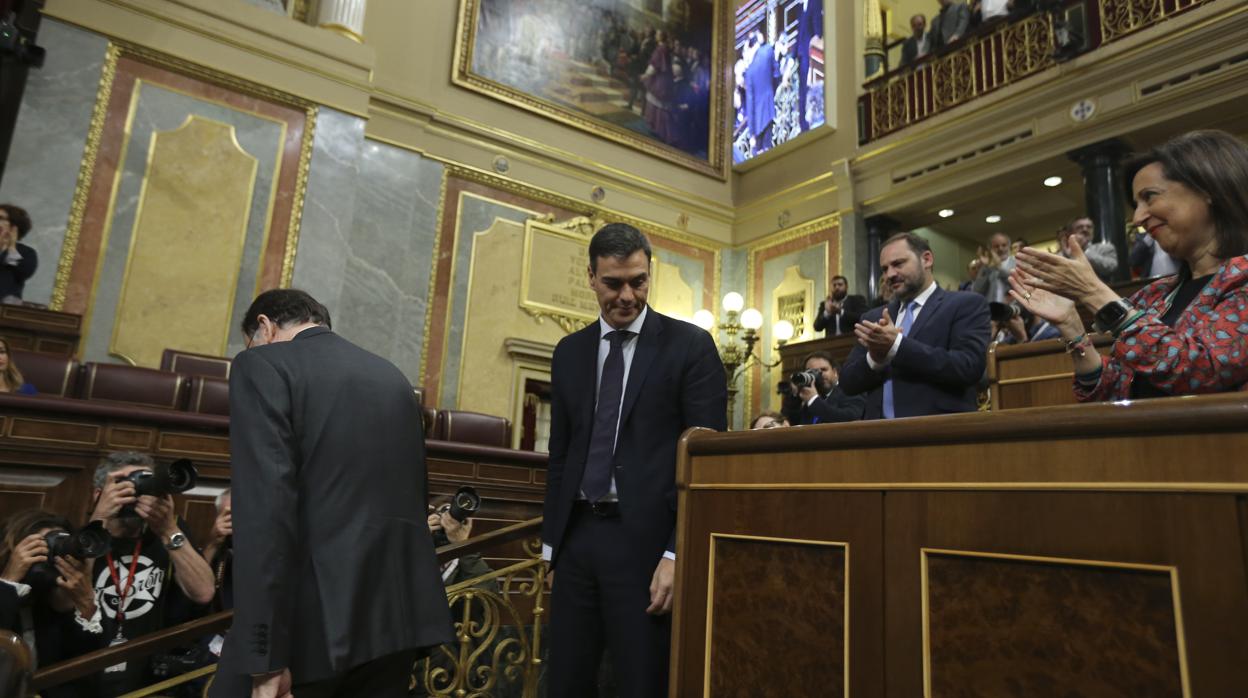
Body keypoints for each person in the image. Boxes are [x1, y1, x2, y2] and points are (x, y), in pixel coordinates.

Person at [212, 289, 452, 698]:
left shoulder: (261, 365)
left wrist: (264, 657)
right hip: (398, 624)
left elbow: (265, 513)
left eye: (251, 340)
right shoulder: (392, 377)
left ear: (265, 327)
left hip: (310, 630)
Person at [542, 223, 726, 698]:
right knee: (565, 680)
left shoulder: (689, 347)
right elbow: (560, 455)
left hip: (646, 547)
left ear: (649, 274)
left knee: (641, 680)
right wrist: (552, 547)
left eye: (638, 281)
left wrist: (676, 551)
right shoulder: (569, 352)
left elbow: (705, 462)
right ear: (591, 277)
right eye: (613, 283)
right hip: (578, 539)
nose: (627, 295)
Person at [1011, 129, 1248, 400]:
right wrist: (1073, 329)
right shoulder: (1155, 295)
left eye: (1150, 196)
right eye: (1136, 204)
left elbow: (1199, 371)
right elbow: (1119, 388)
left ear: (1209, 189)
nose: (1138, 217)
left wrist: (1093, 292)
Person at [87, 451, 216, 696]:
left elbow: (204, 593)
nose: (137, 492)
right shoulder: (84, 538)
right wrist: (100, 518)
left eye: (145, 482)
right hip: (86, 675)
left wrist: (168, 529)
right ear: (98, 495)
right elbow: (69, 596)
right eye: (125, 483)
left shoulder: (167, 534)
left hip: (150, 681)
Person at [840, 232, 991, 418]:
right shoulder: (874, 316)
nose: (890, 275)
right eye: (884, 269)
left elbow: (968, 367)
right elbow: (847, 383)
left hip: (939, 436)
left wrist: (897, 346)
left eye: (898, 264)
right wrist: (875, 359)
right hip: (879, 438)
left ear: (926, 259)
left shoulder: (966, 304)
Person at [0, 509, 107, 698]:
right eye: (43, 547)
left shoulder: (55, 604)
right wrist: (9, 581)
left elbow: (84, 677)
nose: (53, 558)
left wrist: (83, 605)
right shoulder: (7, 591)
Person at [793, 351, 865, 424]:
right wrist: (795, 396)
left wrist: (814, 400)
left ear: (835, 372)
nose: (819, 374)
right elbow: (793, 422)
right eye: (812, 371)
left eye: (824, 369)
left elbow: (851, 418)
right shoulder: (807, 397)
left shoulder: (851, 390)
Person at [1059, 217, 1119, 281]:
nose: (1085, 229)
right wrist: (1069, 256)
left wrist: (1085, 250)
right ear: (1071, 232)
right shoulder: (1062, 254)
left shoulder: (1106, 248)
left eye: (1089, 227)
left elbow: (1110, 268)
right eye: (1079, 227)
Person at [0, 205, 37, 304]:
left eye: (1, 218)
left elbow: (24, 272)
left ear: (14, 227)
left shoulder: (26, 252)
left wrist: (11, 246)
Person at [972, 232, 1017, 303]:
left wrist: (998, 267)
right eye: (996, 246)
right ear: (990, 249)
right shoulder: (986, 267)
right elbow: (976, 291)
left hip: (1013, 309)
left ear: (1009, 246)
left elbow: (1017, 286)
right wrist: (987, 268)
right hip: (991, 310)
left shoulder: (1017, 263)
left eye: (1004, 245)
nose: (1000, 249)